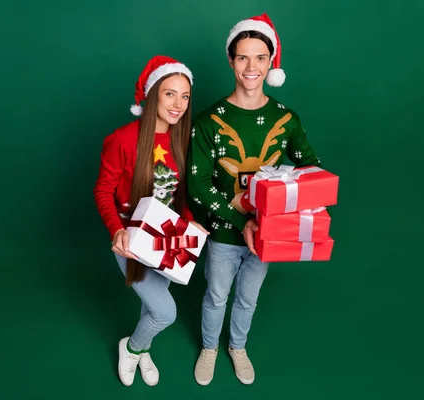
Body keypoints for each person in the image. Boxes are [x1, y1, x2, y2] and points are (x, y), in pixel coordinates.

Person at [186, 13, 322, 385]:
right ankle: (210, 347)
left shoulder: (286, 119)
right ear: (231, 61)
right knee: (216, 296)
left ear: (271, 62)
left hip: (268, 235)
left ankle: (238, 346)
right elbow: (197, 184)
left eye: (260, 58)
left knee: (248, 298)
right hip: (225, 234)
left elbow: (311, 168)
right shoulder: (208, 120)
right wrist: (240, 221)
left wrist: (289, 215)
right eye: (243, 57)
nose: (251, 67)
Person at [93, 55, 208, 387]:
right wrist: (116, 229)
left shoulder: (181, 139)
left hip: (169, 236)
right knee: (165, 312)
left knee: (152, 306)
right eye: (170, 93)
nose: (178, 104)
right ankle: (130, 349)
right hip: (132, 237)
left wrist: (190, 222)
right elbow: (103, 189)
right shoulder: (122, 139)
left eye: (185, 96)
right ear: (153, 93)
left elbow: (181, 196)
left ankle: (142, 351)